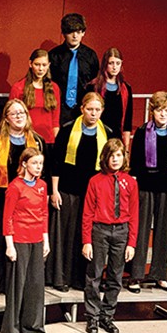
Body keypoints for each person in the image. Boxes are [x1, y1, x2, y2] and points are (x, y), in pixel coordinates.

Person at [0, 99, 43, 295]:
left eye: (22, 113)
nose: (18, 116)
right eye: (14, 113)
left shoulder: (37, 142)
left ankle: (16, 283)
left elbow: (43, 171)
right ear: (6, 118)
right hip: (1, 198)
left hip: (27, 202)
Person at [50, 91, 109, 292]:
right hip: (68, 190)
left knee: (88, 237)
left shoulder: (108, 133)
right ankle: (62, 278)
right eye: (90, 109)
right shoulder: (68, 130)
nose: (93, 113)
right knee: (67, 236)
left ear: (102, 111)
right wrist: (54, 190)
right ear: (82, 109)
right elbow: (56, 162)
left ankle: (82, 279)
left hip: (94, 194)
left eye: (97, 110)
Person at [128, 91, 167, 293]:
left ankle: (160, 275)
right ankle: (135, 275)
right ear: (152, 111)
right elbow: (134, 166)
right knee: (141, 232)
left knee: (164, 232)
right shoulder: (142, 132)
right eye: (159, 110)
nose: (163, 114)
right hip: (145, 187)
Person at [81, 139, 137, 333]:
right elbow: (87, 212)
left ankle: (107, 316)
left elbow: (134, 214)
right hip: (100, 230)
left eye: (119, 155)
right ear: (105, 157)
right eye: (112, 155)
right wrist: (86, 241)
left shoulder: (130, 182)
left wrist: (131, 243)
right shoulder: (95, 181)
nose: (115, 159)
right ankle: (92, 317)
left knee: (115, 276)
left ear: (124, 158)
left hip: (121, 232)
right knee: (94, 275)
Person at [0, 147, 49, 333]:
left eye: (41, 163)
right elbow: (7, 217)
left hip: (37, 239)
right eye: (35, 163)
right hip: (19, 239)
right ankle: (11, 329)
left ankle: (32, 326)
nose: (38, 167)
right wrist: (9, 245)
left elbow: (44, 214)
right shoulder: (15, 186)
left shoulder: (42, 185)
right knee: (17, 286)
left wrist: (46, 241)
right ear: (24, 164)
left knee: (35, 284)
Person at [48, 12, 99, 126]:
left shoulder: (91, 56)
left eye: (78, 32)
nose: (75, 36)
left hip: (84, 109)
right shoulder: (53, 55)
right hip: (59, 109)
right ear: (63, 33)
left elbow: (95, 82)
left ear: (83, 33)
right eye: (71, 32)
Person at [9, 49, 61, 149]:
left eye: (44, 65)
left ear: (49, 65)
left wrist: (55, 139)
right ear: (30, 64)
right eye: (37, 64)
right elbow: (11, 116)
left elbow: (55, 119)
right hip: (25, 138)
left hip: (48, 140)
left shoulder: (54, 88)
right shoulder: (19, 88)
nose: (41, 69)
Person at [90, 47, 133, 144]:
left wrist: (126, 147)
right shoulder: (93, 87)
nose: (114, 67)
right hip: (96, 136)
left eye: (118, 63)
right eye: (111, 63)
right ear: (105, 64)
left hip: (116, 138)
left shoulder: (126, 88)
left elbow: (127, 121)